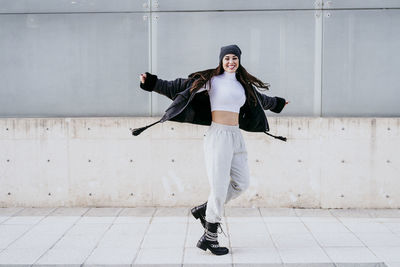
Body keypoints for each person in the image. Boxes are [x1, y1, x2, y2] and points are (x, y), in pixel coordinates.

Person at [135, 44, 289, 255]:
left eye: (234, 58)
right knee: (218, 187)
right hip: (218, 136)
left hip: (236, 136)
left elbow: (262, 101)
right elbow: (175, 87)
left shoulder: (244, 86)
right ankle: (210, 236)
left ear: (239, 60)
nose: (230, 62)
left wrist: (279, 103)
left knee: (241, 183)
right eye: (226, 58)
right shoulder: (210, 81)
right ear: (221, 61)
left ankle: (204, 209)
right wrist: (152, 82)